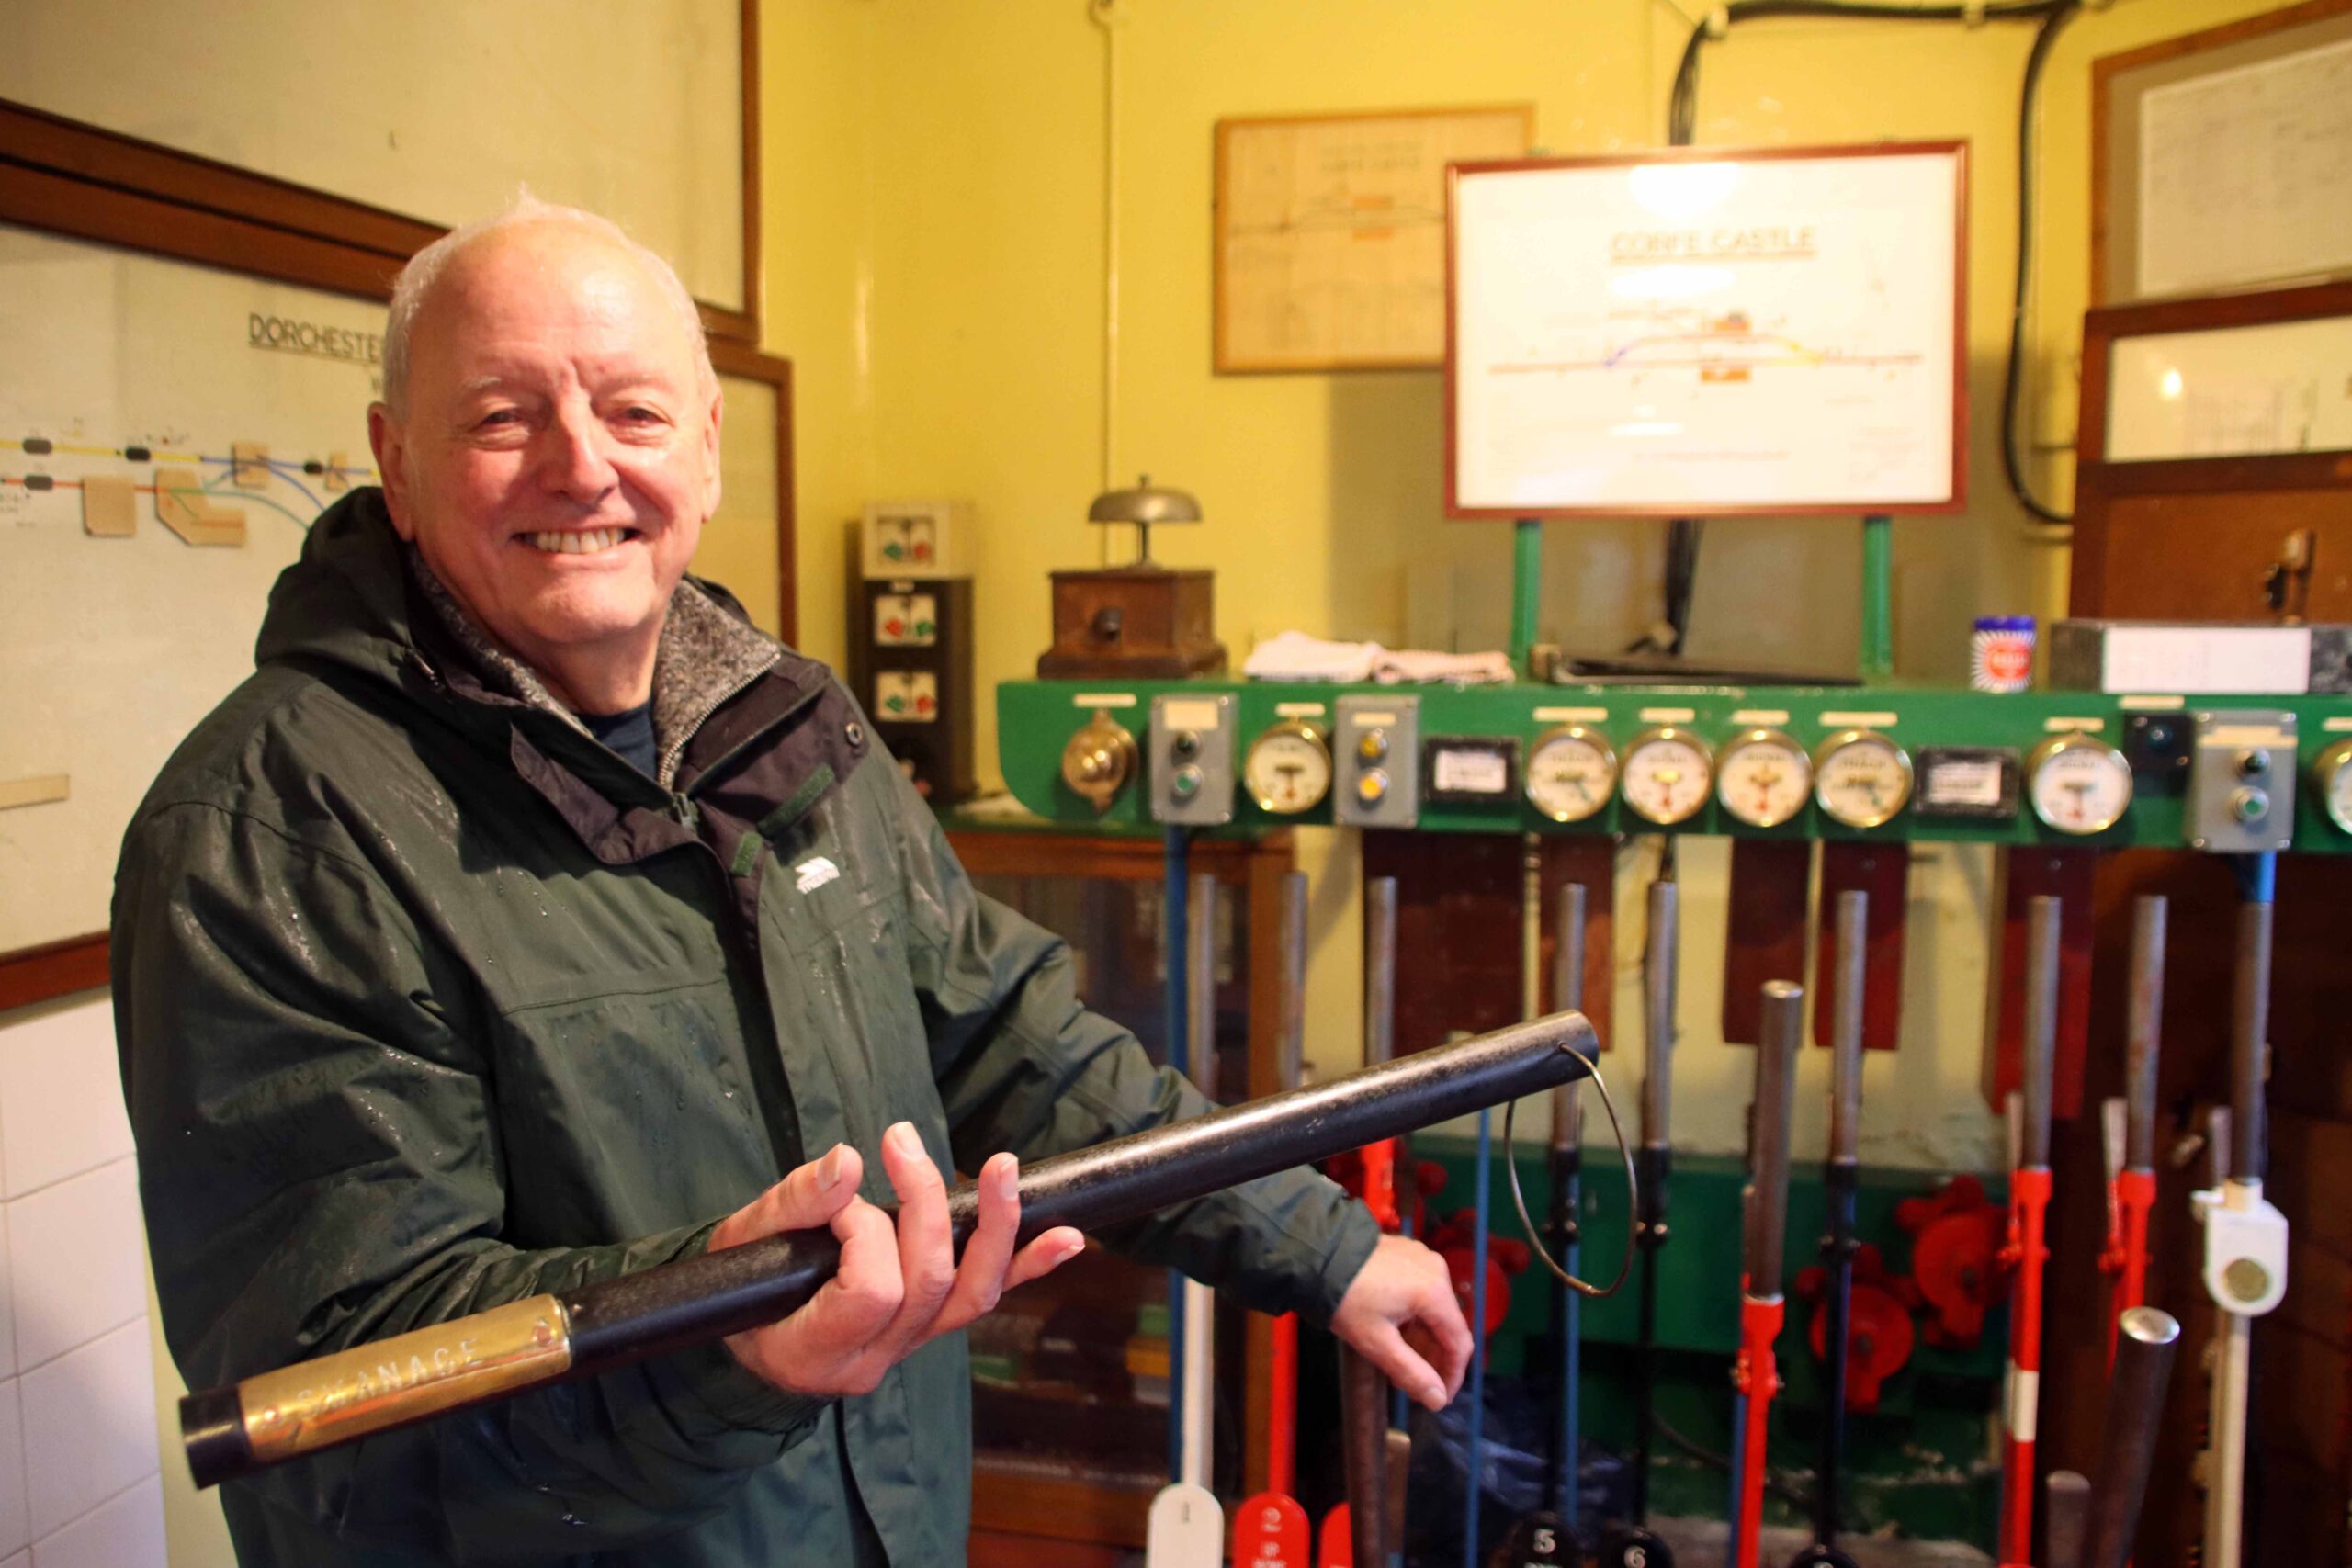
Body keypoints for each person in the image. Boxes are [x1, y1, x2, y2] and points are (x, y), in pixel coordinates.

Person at [114, 196, 1471, 1567]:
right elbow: (345, 1401)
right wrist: (731, 1340)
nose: (581, 467)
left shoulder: (786, 732)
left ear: (705, 452)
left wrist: (1324, 1245)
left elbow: (1011, 1041)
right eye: (502, 418)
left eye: (633, 414)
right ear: (396, 465)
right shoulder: (271, 830)